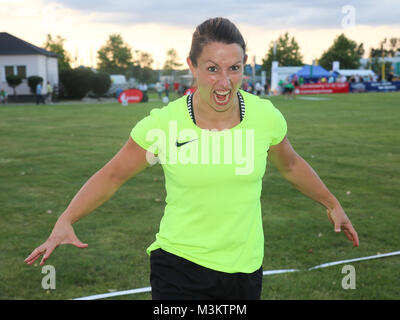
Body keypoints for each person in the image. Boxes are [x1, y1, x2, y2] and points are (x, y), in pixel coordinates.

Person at [24, 17, 359, 300]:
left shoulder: (264, 116)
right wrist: (67, 218)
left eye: (235, 68)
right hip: (180, 268)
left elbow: (291, 164)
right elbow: (113, 175)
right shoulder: (164, 124)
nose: (224, 82)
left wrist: (331, 203)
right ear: (192, 67)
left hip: (245, 271)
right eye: (212, 69)